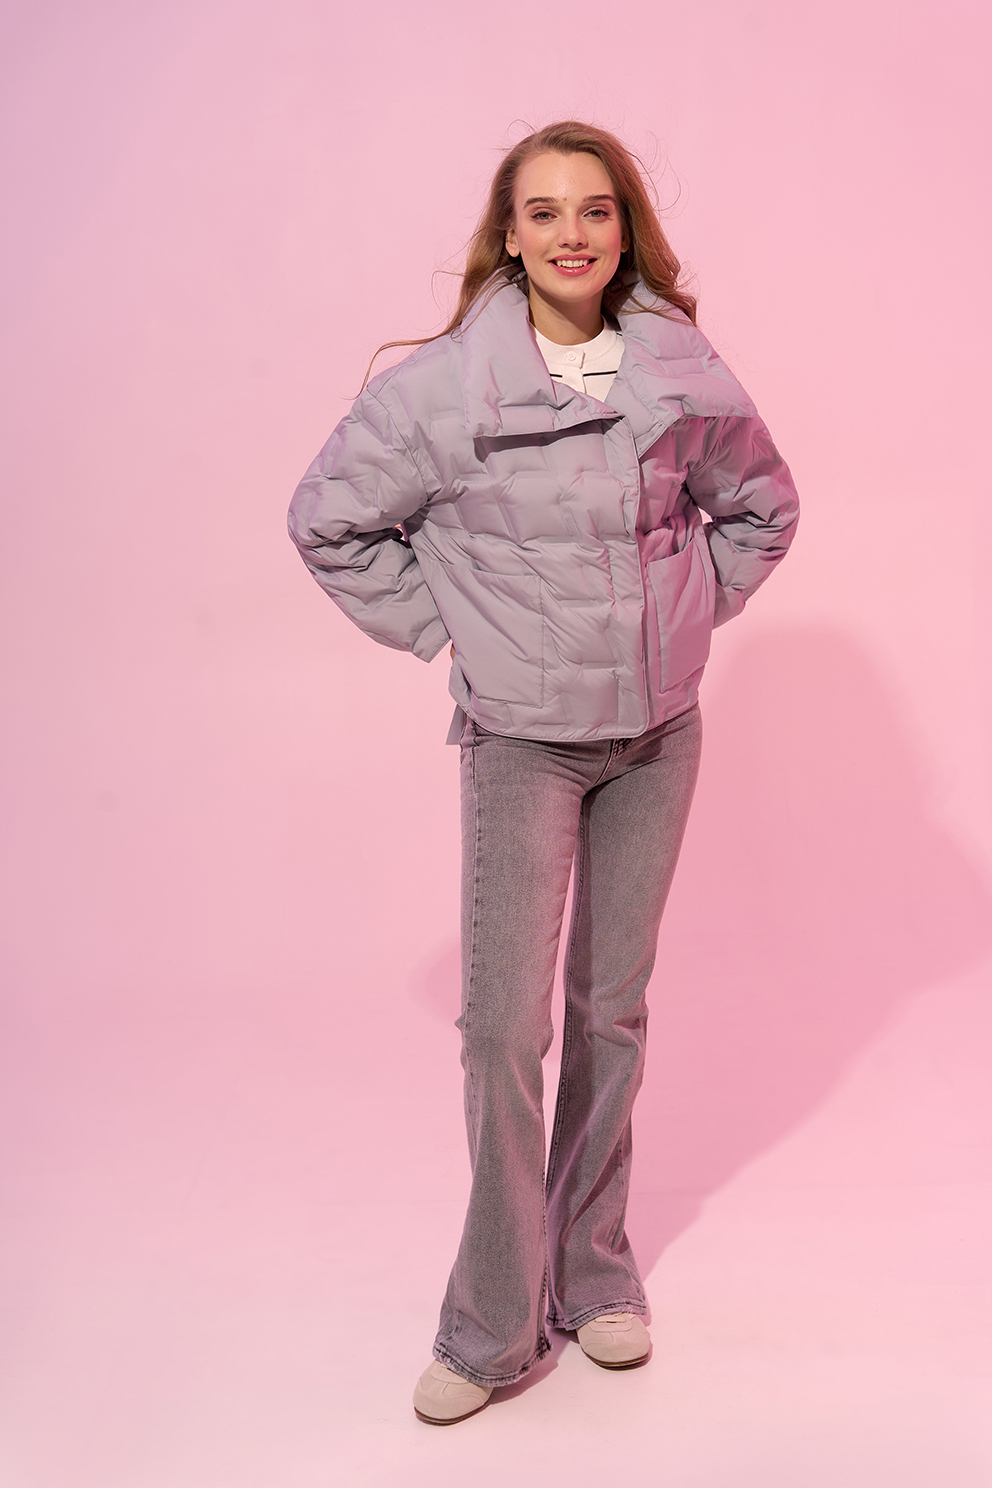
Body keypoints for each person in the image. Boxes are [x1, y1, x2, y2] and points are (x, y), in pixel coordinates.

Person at [288, 120, 799, 1424]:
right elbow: (328, 519)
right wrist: (453, 633)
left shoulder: (682, 367)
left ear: (624, 229)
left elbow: (762, 508)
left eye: (596, 209)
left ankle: (596, 1273)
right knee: (503, 1034)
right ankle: (488, 1326)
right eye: (544, 212)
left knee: (611, 1014)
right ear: (508, 236)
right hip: (522, 739)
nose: (573, 232)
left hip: (660, 736)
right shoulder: (444, 388)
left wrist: (684, 619)